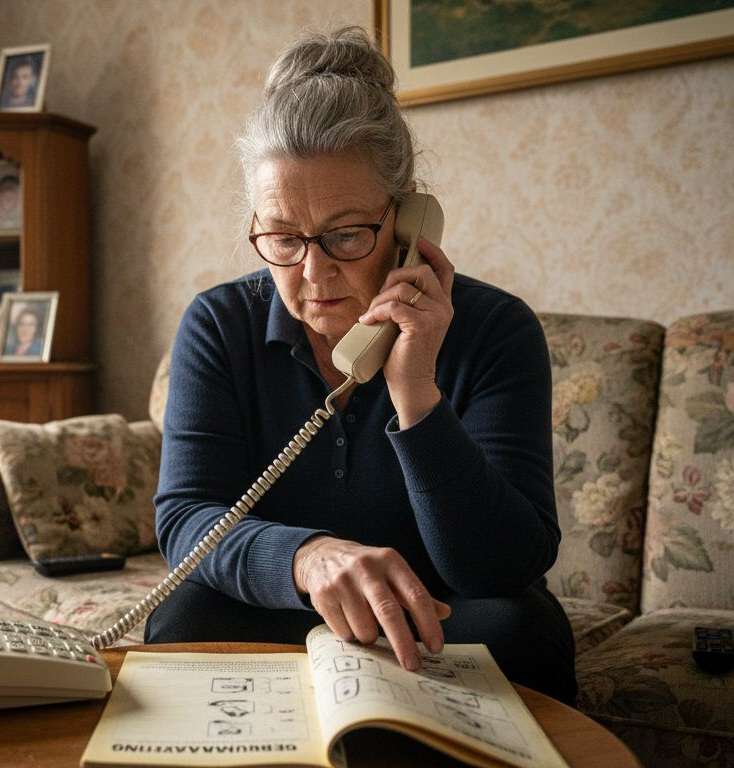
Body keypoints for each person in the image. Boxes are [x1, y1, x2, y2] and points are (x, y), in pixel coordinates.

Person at [146, 26, 576, 704]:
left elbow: (502, 568)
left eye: (346, 233)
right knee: (182, 620)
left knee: (520, 632)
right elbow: (187, 520)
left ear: (407, 220)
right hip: (293, 607)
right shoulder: (218, 323)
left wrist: (417, 394)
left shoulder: (498, 330)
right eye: (283, 237)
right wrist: (308, 556)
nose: (313, 273)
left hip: (445, 618)